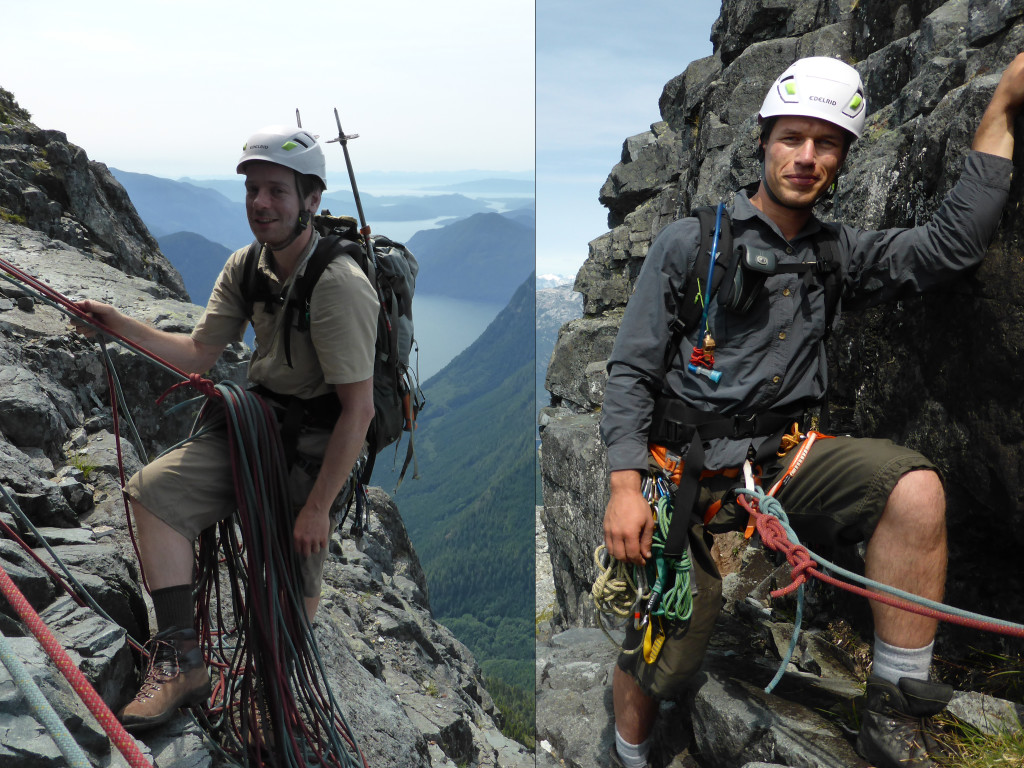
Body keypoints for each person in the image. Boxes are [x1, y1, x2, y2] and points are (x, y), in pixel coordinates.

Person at [600, 54, 1024, 768]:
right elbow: (631, 370)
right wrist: (621, 487)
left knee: (913, 488)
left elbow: (949, 247)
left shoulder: (837, 256)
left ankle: (895, 703)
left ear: (843, 158)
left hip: (781, 462)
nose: (806, 156)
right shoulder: (691, 244)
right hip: (681, 474)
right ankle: (626, 754)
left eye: (826, 143)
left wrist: (1006, 107)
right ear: (764, 140)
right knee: (666, 649)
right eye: (792, 137)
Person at [74, 125, 379, 731]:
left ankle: (275, 686)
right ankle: (182, 660)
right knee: (155, 493)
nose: (260, 204)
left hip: (317, 442)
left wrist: (317, 508)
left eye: (277, 192)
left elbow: (359, 410)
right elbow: (196, 354)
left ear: (310, 200)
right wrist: (119, 325)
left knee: (296, 562)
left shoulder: (339, 286)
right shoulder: (247, 267)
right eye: (253, 191)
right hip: (257, 421)